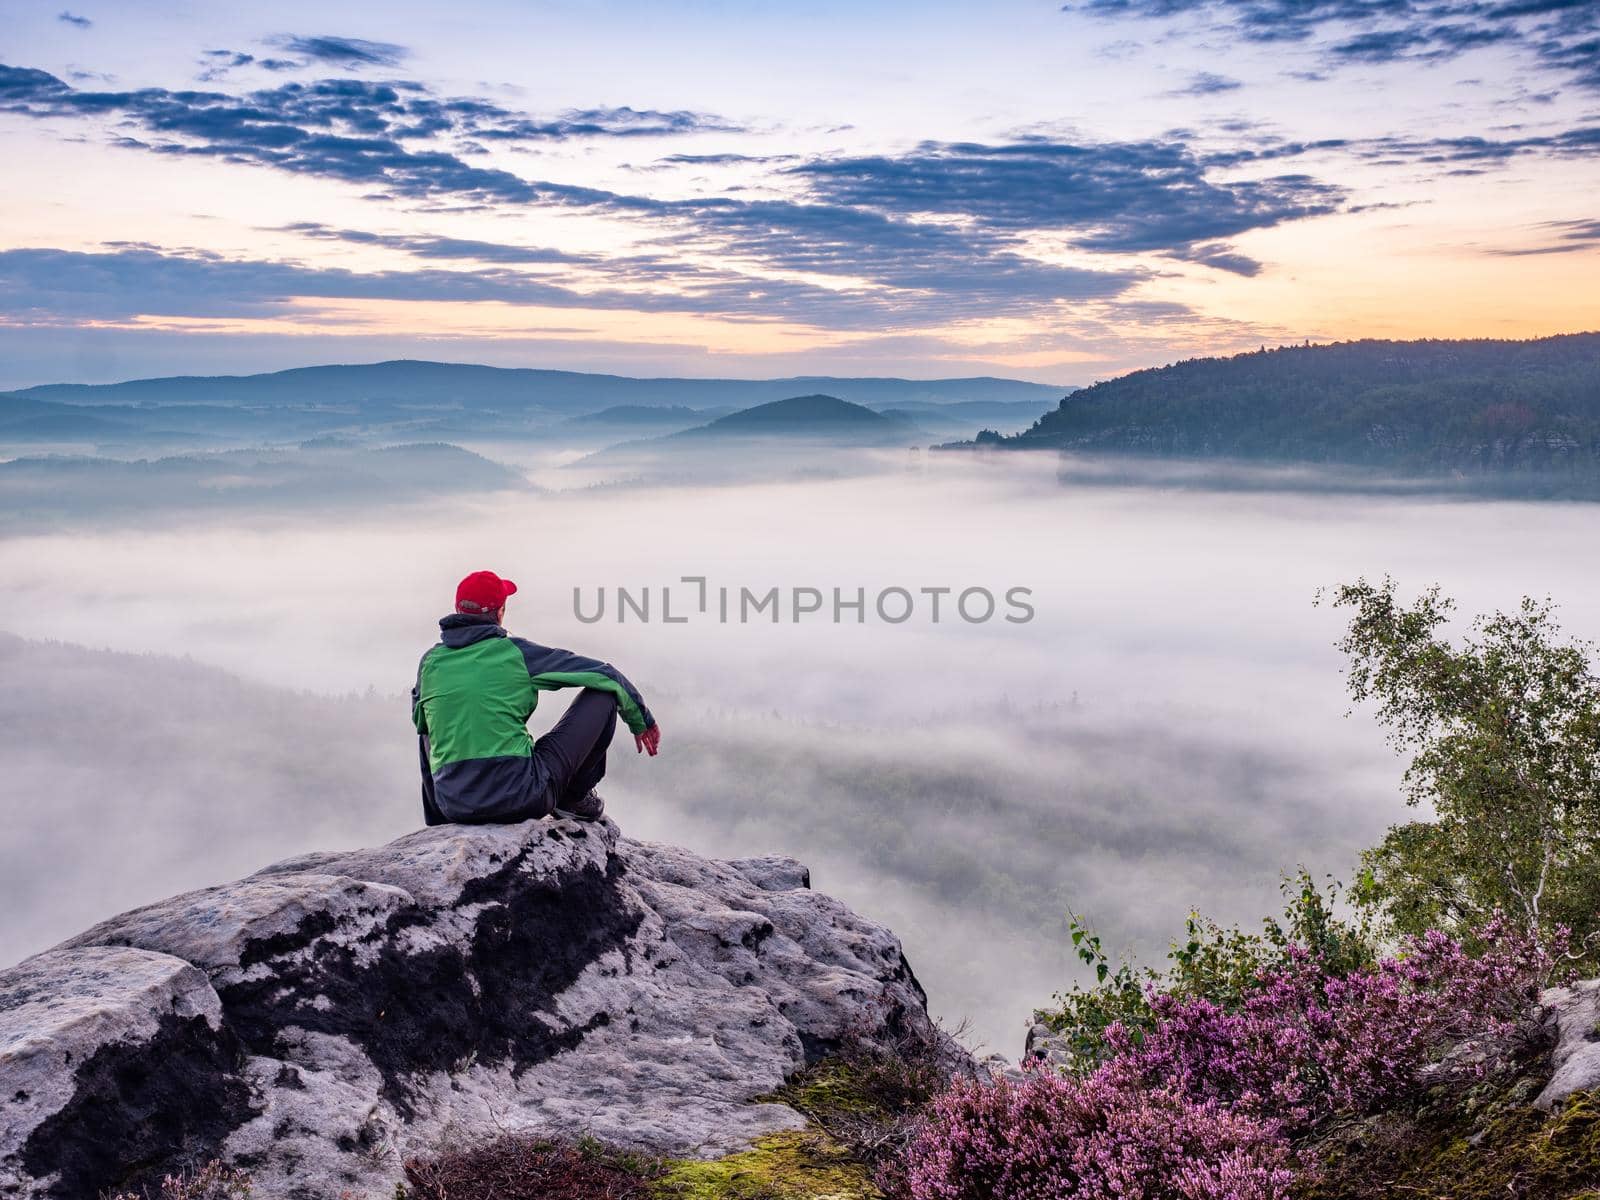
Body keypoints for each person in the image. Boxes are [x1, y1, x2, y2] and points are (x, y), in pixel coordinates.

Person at [412, 569, 660, 825]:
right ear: (500, 613)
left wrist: (441, 814)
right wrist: (643, 722)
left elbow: (425, 732)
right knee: (604, 694)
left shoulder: (430, 663)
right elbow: (604, 675)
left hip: (453, 806)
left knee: (427, 720)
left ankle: (438, 818)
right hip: (523, 797)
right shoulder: (516, 653)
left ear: (457, 608)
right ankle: (573, 800)